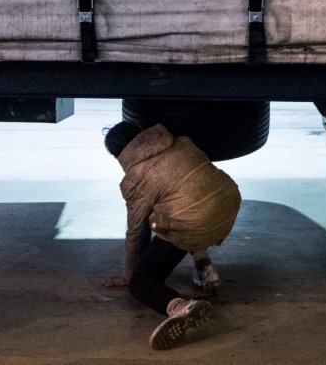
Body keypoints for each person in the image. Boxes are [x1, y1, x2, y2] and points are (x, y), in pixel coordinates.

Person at [102, 121, 241, 350]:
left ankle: (178, 307)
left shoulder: (135, 179)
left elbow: (136, 232)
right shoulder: (182, 142)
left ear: (119, 155)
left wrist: (130, 274)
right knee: (178, 206)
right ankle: (202, 263)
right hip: (229, 205)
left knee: (141, 281)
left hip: (198, 222)